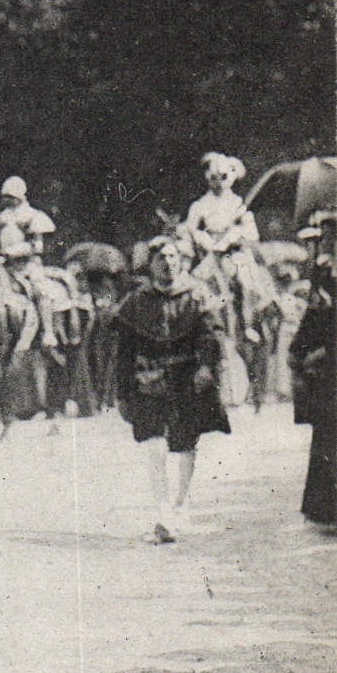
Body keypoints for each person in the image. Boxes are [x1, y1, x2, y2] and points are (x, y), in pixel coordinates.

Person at [111, 236, 230, 544]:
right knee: (152, 445)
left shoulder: (197, 294)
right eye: (161, 258)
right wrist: (123, 392)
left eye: (173, 257)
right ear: (150, 265)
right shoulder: (136, 301)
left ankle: (180, 506)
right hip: (150, 381)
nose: (167, 263)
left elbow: (211, 334)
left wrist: (206, 366)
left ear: (181, 261)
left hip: (187, 379)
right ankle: (163, 512)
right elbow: (124, 350)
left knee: (184, 445)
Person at [184, 152, 264, 343]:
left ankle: (247, 324)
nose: (219, 182)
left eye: (224, 177)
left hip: (234, 252)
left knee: (245, 281)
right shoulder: (200, 205)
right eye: (214, 178)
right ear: (207, 178)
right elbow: (191, 229)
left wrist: (234, 235)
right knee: (198, 284)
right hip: (209, 253)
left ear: (232, 177)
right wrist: (204, 239)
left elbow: (252, 231)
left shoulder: (237, 204)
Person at [290, 213, 335, 527]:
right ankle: (327, 509)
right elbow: (313, 315)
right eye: (324, 233)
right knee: (327, 430)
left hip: (332, 352)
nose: (327, 239)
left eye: (332, 232)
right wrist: (298, 348)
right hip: (327, 361)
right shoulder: (322, 269)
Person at [0, 176, 61, 350]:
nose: (7, 200)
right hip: (5, 265)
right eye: (5, 196)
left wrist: (13, 251)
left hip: (28, 264)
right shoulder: (0, 217)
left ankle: (48, 331)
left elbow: (37, 245)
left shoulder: (31, 215)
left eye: (10, 196)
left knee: (40, 288)